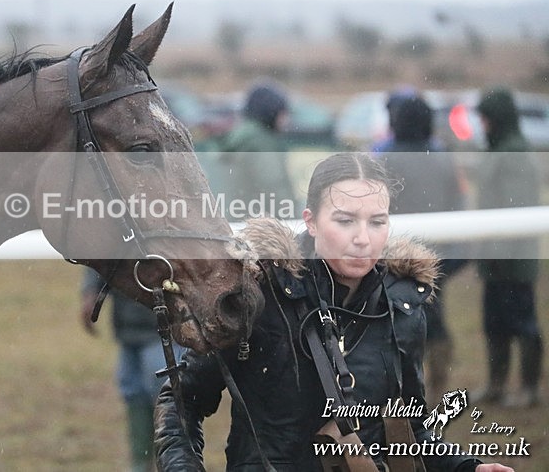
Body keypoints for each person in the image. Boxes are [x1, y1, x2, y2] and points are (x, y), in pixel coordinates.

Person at [155, 152, 512, 471]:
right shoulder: (257, 294)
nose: (363, 238)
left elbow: (412, 430)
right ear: (310, 221)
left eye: (377, 222)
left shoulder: (402, 306)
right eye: (345, 220)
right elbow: (182, 400)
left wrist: (467, 467)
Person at [375, 90, 469, 402]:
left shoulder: (384, 158)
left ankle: (400, 388)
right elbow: (459, 204)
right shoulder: (443, 157)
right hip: (436, 256)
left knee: (392, 323)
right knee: (434, 319)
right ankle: (437, 385)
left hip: (393, 256)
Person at [472, 87, 543, 408]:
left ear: (498, 119)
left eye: (486, 118)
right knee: (495, 323)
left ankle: (529, 389)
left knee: (523, 323)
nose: (482, 124)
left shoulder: (514, 152)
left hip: (513, 259)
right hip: (496, 258)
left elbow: (516, 208)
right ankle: (496, 385)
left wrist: (500, 250)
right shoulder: (498, 148)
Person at [80, 268, 174, 472]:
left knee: (167, 397)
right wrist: (91, 290)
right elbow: (101, 257)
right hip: (128, 328)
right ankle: (142, 463)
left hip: (163, 328)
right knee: (134, 392)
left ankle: (171, 463)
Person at [215, 82, 296, 219]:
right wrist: (292, 217)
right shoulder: (261, 142)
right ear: (271, 111)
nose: (286, 120)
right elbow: (273, 184)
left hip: (233, 216)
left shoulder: (239, 135)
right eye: (283, 113)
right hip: (256, 220)